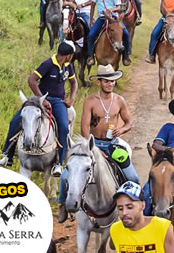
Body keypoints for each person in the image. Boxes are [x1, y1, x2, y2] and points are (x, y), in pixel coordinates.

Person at [57, 65, 139, 223]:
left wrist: (122, 129)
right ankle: (63, 204)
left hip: (112, 144)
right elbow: (84, 127)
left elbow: (129, 122)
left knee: (133, 177)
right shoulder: (91, 101)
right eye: (106, 81)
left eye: (112, 81)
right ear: (99, 82)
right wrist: (93, 148)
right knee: (66, 175)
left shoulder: (119, 101)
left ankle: (133, 208)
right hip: (93, 144)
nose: (110, 84)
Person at [0, 42, 78, 177]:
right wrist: (42, 99)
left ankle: (58, 163)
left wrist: (72, 98)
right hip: (39, 99)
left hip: (58, 101)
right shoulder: (48, 64)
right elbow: (32, 80)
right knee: (15, 122)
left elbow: (74, 82)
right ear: (68, 55)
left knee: (64, 127)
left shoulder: (68, 66)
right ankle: (7, 155)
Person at [109, 181, 174, 253]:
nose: (124, 213)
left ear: (142, 206)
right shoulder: (115, 229)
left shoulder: (163, 228)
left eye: (130, 207)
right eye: (120, 208)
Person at [88, 0, 131, 66]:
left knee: (126, 34)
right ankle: (90, 56)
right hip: (102, 18)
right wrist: (91, 20)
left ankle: (126, 56)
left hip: (114, 18)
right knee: (91, 35)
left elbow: (118, 7)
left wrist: (111, 9)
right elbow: (92, 6)